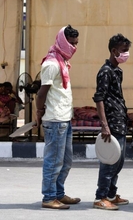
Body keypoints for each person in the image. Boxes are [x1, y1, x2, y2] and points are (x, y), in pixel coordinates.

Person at [36, 25, 81, 209]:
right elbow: (41, 93)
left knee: (65, 161)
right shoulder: (52, 64)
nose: (74, 47)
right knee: (53, 161)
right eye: (71, 43)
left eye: (76, 44)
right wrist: (39, 112)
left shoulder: (62, 61)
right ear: (63, 41)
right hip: (54, 120)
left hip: (64, 118)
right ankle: (49, 197)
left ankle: (59, 193)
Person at [92, 34, 132, 210]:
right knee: (109, 162)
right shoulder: (105, 71)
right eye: (124, 51)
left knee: (119, 161)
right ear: (114, 51)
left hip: (120, 121)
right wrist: (104, 125)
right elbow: (99, 98)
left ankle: (110, 194)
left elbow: (116, 97)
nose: (126, 54)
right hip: (111, 124)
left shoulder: (118, 71)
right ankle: (100, 197)